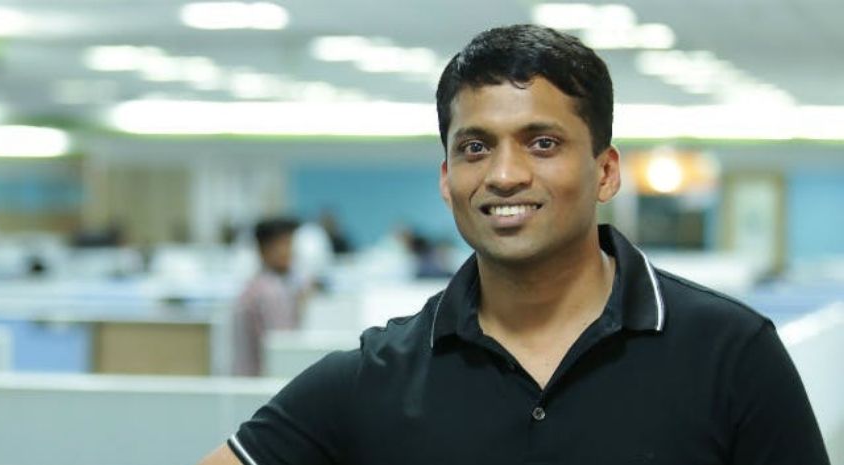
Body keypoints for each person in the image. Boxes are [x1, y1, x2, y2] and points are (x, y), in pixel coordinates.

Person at [201, 25, 830, 464]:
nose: (504, 174)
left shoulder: (729, 354)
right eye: (475, 147)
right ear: (447, 179)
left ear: (606, 171)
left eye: (542, 143)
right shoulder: (374, 377)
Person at [231, 217, 306, 377]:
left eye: (291, 244)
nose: (290, 251)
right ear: (263, 249)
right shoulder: (269, 292)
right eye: (283, 244)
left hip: (250, 378)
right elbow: (284, 350)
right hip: (262, 381)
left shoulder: (259, 285)